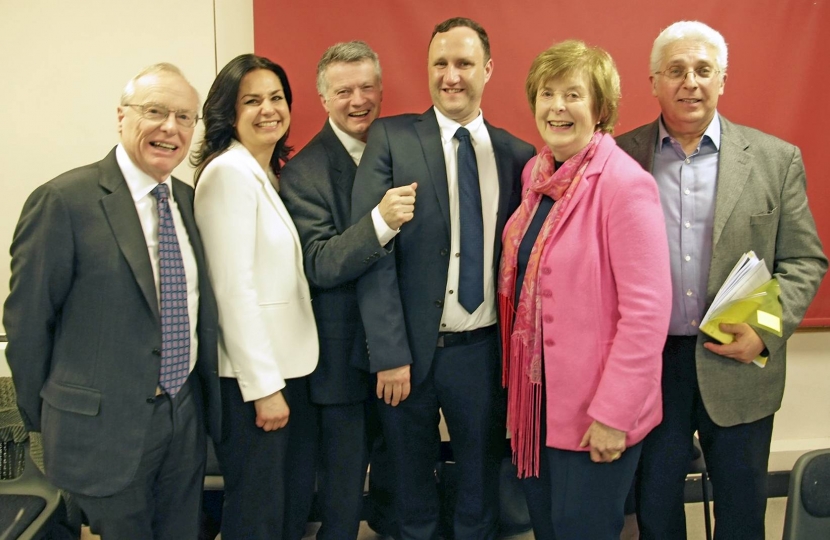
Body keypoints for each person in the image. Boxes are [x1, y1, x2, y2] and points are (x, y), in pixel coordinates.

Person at [615, 21, 828, 540]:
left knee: (742, 512)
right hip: (651, 366)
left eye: (703, 70)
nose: (690, 81)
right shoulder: (618, 157)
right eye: (676, 70)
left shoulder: (776, 160)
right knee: (656, 512)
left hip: (738, 364)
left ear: (722, 80)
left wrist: (765, 327)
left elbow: (804, 260)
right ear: (653, 81)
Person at [3, 63, 220, 539]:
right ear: (121, 117)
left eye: (185, 117)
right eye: (155, 111)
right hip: (101, 432)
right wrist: (58, 420)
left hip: (182, 422)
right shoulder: (63, 201)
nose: (170, 127)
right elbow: (27, 327)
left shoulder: (189, 200)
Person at [350, 17, 535, 540]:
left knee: (480, 489)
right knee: (410, 491)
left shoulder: (517, 155)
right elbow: (374, 255)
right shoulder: (390, 138)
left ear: (488, 70)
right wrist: (389, 353)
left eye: (464, 63)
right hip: (406, 355)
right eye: (440, 64)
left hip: (482, 353)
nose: (451, 76)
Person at [496, 40, 672, 540]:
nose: (557, 107)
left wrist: (614, 415)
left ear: (599, 109)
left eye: (573, 94)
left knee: (584, 530)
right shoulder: (537, 174)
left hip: (597, 407)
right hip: (538, 402)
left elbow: (646, 315)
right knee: (549, 528)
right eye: (547, 93)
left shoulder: (624, 185)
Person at [279, 40, 413, 539]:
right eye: (344, 91)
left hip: (404, 354)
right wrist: (380, 222)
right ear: (323, 98)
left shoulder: (402, 148)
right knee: (340, 495)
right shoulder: (303, 172)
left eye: (366, 87)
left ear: (381, 88)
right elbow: (320, 262)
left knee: (401, 484)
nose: (358, 100)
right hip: (341, 366)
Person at [191, 54, 318, 540]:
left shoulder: (265, 172)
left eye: (276, 98)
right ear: (228, 112)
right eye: (252, 101)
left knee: (285, 511)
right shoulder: (228, 174)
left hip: (287, 372)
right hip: (252, 387)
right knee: (258, 516)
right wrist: (264, 388)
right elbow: (232, 290)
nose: (269, 109)